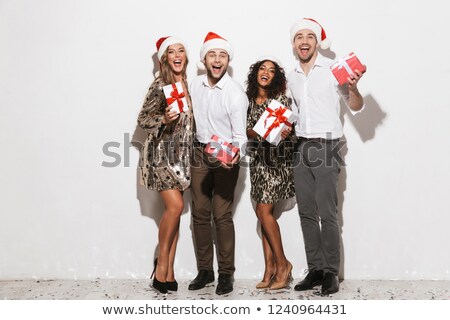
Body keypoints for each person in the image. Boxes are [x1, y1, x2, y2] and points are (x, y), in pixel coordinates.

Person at [288, 18, 366, 295]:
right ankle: (316, 270)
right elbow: (292, 112)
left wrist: (354, 88)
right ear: (294, 43)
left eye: (310, 36)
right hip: (301, 146)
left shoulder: (333, 71)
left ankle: (331, 272)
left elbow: (356, 106)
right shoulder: (292, 75)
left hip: (327, 145)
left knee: (328, 213)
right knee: (307, 212)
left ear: (317, 42)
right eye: (300, 37)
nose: (305, 41)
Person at [188, 31, 248, 295]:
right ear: (204, 59)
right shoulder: (195, 85)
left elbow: (241, 136)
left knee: (221, 215)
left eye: (222, 55)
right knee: (200, 214)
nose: (217, 59)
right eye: (212, 54)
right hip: (200, 152)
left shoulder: (235, 93)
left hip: (225, 154)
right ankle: (205, 271)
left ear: (227, 61)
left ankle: (226, 274)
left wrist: (237, 154)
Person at [137, 36, 193, 294]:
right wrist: (163, 117)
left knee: (175, 214)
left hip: (181, 158)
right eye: (172, 52)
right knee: (176, 206)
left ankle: (169, 271)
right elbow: (143, 119)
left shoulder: (187, 85)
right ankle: (160, 267)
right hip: (160, 156)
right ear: (165, 58)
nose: (178, 55)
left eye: (181, 50)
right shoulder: (160, 84)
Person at [245, 56, 295, 290]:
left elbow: (289, 133)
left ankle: (283, 265)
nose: (266, 72)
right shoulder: (248, 101)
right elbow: (245, 131)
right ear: (256, 73)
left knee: (263, 210)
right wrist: (255, 132)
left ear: (276, 77)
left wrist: (286, 132)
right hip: (258, 163)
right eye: (262, 69)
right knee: (263, 215)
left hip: (277, 163)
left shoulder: (280, 100)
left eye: (271, 70)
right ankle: (270, 269)